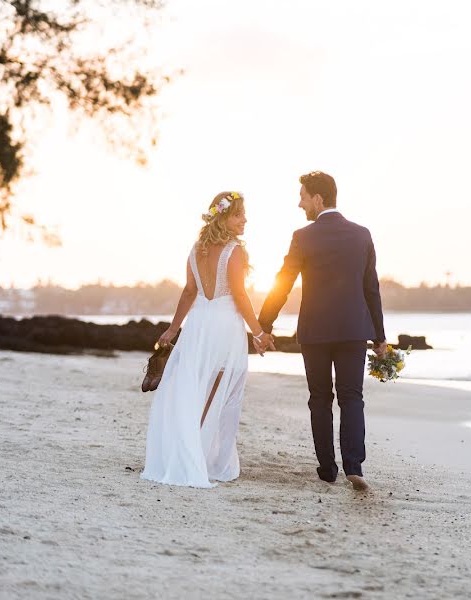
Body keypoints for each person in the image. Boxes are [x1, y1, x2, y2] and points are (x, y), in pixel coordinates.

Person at [258, 171, 386, 491]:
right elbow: (372, 289)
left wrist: (264, 325)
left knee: (319, 398)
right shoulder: (362, 234)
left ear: (318, 198)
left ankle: (328, 469)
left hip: (315, 332)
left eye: (302, 196)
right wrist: (379, 336)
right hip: (354, 330)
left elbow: (283, 283)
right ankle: (354, 465)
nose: (299, 203)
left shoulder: (303, 237)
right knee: (352, 396)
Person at [141, 191, 274, 488]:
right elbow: (239, 295)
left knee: (196, 386)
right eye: (238, 214)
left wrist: (174, 329)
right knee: (219, 390)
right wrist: (259, 332)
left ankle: (192, 448)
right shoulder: (234, 251)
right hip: (225, 325)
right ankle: (201, 455)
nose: (245, 220)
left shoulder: (195, 249)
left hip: (199, 324)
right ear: (224, 217)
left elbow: (190, 291)